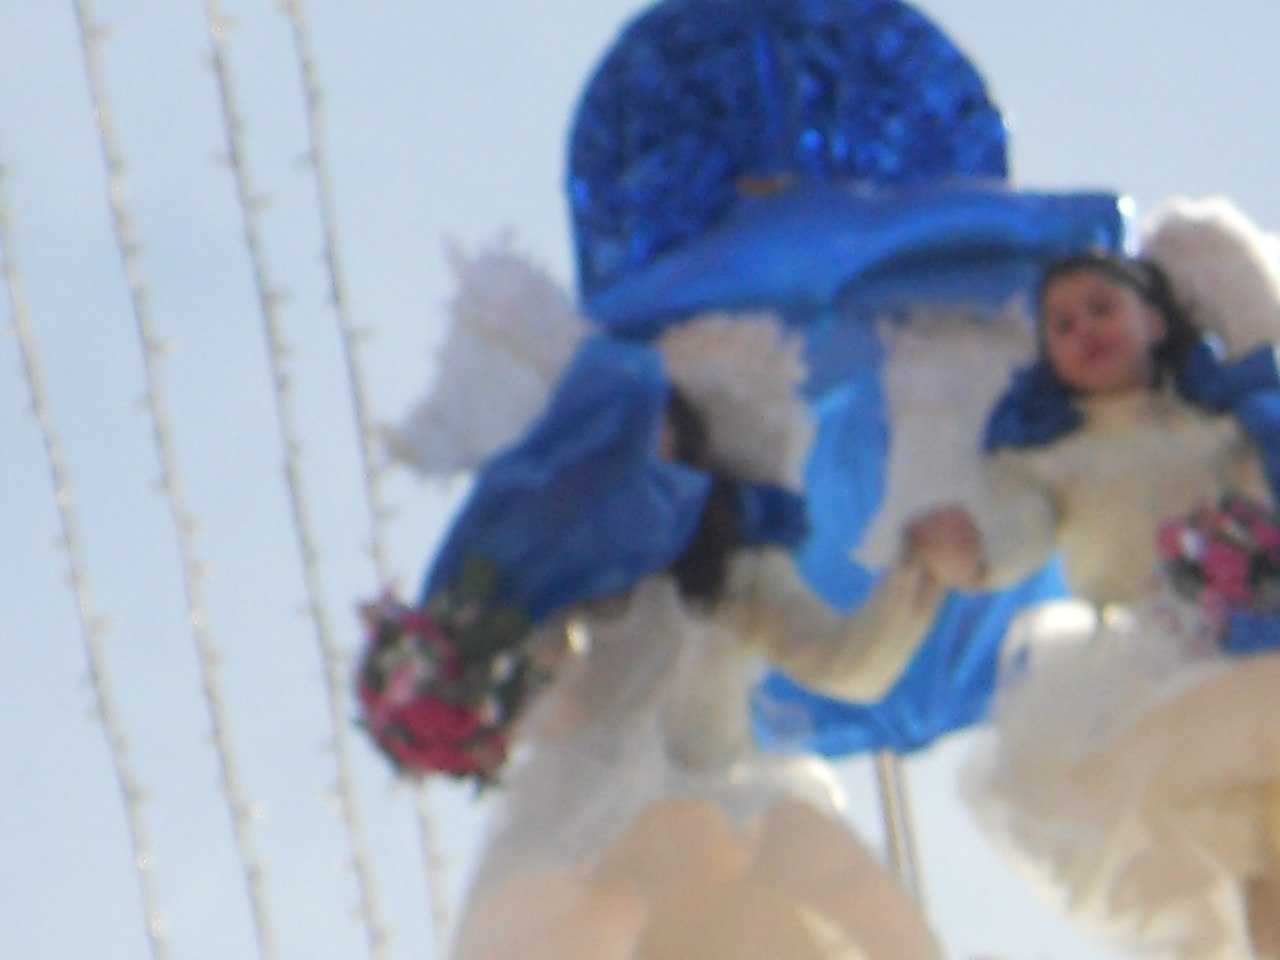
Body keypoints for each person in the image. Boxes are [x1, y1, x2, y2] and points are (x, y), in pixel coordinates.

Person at [363, 314, 946, 960]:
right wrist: (465, 699)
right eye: (629, 440)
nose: (647, 462)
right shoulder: (574, 568)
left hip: (708, 783)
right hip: (598, 790)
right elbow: (530, 670)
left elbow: (847, 665)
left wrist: (921, 571)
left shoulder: (739, 573)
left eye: (664, 438)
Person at [909, 249, 1280, 959]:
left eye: (1102, 309)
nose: (1085, 330)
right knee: (1207, 868)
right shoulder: (1046, 459)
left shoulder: (1223, 427)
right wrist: (971, 553)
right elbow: (1016, 530)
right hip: (1155, 668)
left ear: (1155, 321)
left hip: (1257, 634)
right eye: (1063, 324)